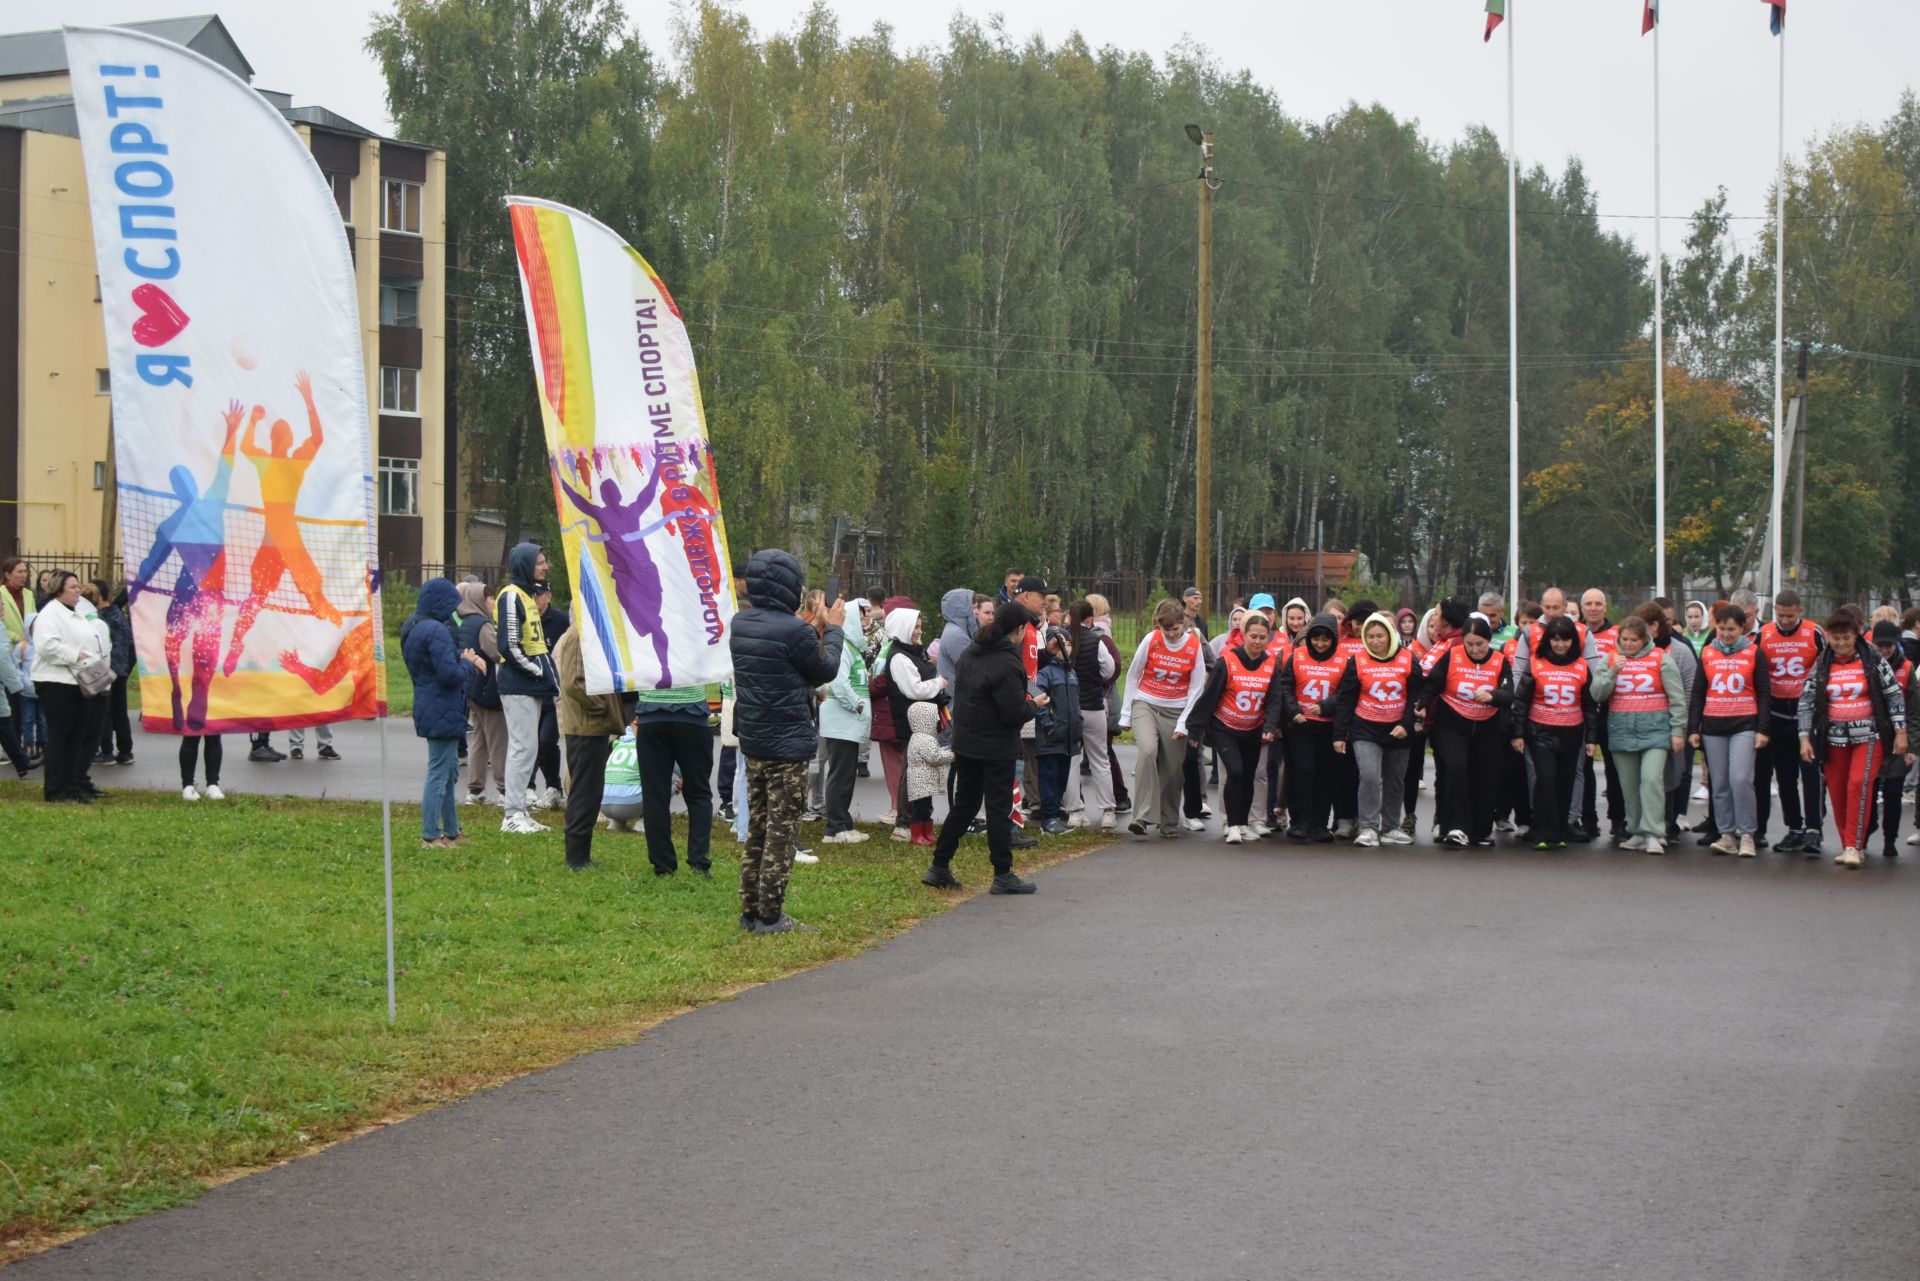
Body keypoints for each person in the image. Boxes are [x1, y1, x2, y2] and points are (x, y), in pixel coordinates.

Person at [731, 549, 845, 933]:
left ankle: (750, 911)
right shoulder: (793, 630)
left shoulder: (741, 623)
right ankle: (771, 915)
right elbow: (823, 667)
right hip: (788, 745)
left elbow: (785, 663)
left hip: (756, 741)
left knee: (759, 828)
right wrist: (836, 629)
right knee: (782, 832)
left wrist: (815, 624)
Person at [226, 374, 345, 673]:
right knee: (313, 596)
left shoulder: (270, 461)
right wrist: (308, 401)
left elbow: (248, 446)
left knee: (260, 598)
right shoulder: (292, 462)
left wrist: (253, 420)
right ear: (287, 441)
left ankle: (236, 644)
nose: (287, 437)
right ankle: (338, 639)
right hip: (285, 540)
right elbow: (317, 437)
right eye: (286, 434)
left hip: (274, 538)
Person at [922, 600, 1042, 894]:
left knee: (964, 806)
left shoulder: (971, 654)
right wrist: (1034, 705)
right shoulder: (1008, 663)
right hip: (996, 747)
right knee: (998, 810)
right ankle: (1003, 874)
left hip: (967, 742)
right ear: (1017, 630)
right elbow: (1012, 713)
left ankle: (939, 866)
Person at [1798, 607, 1907, 868]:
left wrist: (1900, 731)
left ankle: (1853, 846)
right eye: (1836, 638)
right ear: (1828, 637)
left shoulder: (1872, 659)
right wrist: (1804, 738)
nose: (1842, 643)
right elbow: (1806, 701)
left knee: (1858, 784)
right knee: (1837, 791)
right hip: (1833, 740)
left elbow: (1893, 694)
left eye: (1846, 637)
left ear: (1856, 635)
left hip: (1868, 737)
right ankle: (1849, 842)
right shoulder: (1822, 662)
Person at [1178, 610, 1282, 844]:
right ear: (1243, 635)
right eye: (1253, 636)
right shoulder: (1228, 661)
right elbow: (1209, 697)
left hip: (1253, 729)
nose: (1257, 642)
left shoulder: (1270, 664)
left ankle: (1244, 823)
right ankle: (1233, 825)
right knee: (1234, 772)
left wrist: (1271, 725)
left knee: (1248, 777)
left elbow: (1275, 699)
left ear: (1268, 638)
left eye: (1262, 637)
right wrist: (1194, 730)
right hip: (1225, 728)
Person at [402, 578, 482, 849]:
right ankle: (430, 835)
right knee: (438, 772)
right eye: (451, 605)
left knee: (448, 772)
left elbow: (433, 663)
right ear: (441, 604)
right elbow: (448, 674)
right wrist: (468, 664)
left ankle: (451, 830)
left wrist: (459, 657)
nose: (455, 611)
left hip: (428, 703)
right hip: (442, 706)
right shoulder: (437, 630)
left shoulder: (413, 625)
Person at [1689, 602, 1772, 858]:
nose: (1726, 634)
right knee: (1720, 783)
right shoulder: (1708, 652)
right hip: (1714, 725)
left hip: (1744, 724)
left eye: (1732, 630)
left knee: (1741, 778)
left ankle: (1747, 834)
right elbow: (1698, 692)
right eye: (1722, 629)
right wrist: (1694, 728)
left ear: (1742, 629)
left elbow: (1765, 693)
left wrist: (1762, 728)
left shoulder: (1754, 652)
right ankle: (1726, 834)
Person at [1120, 599, 1208, 838]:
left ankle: (1168, 821)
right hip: (1146, 703)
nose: (1170, 634)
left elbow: (1197, 686)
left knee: (1173, 769)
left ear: (1183, 624)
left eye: (1174, 629)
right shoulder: (1151, 640)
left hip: (1177, 709)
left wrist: (1183, 722)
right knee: (1148, 751)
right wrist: (1126, 713)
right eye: (1165, 630)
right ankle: (1141, 815)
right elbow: (1133, 675)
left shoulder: (1193, 644)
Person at [1421, 618, 1513, 847]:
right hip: (1451, 723)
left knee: (1485, 776)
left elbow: (1509, 693)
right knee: (1456, 769)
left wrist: (1493, 695)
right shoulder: (1453, 655)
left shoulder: (1500, 661)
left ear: (1489, 641)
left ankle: (1480, 831)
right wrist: (1422, 703)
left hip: (1486, 727)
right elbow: (1433, 683)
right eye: (1470, 644)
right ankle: (1455, 827)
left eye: (1480, 644)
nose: (1474, 649)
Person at [1600, 616, 1687, 855]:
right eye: (1624, 639)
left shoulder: (1661, 658)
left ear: (1645, 639)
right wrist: (1611, 672)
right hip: (1622, 731)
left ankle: (1654, 833)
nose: (1628, 644)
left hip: (1656, 732)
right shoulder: (1610, 659)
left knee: (1651, 780)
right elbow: (1597, 693)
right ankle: (1636, 831)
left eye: (1634, 640)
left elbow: (1677, 698)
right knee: (1629, 785)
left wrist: (1678, 730)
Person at [1512, 615, 1600, 850]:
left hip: (1572, 732)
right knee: (1545, 779)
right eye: (1555, 639)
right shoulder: (1536, 663)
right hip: (1540, 731)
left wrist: (1592, 738)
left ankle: (1560, 830)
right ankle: (1541, 830)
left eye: (1566, 640)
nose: (1560, 645)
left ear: (1574, 641)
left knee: (1565, 782)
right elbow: (1521, 701)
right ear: (1548, 640)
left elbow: (1590, 706)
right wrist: (1518, 734)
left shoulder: (1582, 666)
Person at [1332, 610, 1418, 847]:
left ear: (1390, 635)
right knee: (1369, 776)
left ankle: (1390, 827)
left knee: (1395, 779)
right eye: (1370, 636)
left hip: (1398, 728)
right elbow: (1346, 699)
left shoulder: (1408, 659)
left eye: (1380, 636)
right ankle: (1368, 827)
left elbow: (1416, 697)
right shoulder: (1357, 661)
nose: (1375, 641)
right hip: (1365, 728)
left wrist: (1406, 723)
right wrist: (1340, 734)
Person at [1755, 589, 1827, 855]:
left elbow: (1828, 665)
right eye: (1780, 615)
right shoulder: (1765, 634)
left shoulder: (1813, 632)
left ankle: (1813, 830)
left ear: (1800, 611)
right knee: (1785, 775)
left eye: (1789, 615)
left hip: (1806, 713)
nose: (1784, 620)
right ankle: (1794, 828)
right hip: (1777, 712)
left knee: (1810, 773)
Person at [555, 612, 628, 871]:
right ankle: (576, 857)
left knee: (590, 792)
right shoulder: (578, 635)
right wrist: (601, 708)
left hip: (593, 727)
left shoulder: (587, 634)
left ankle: (581, 854)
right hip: (586, 727)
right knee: (584, 794)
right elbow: (574, 683)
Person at [495, 542, 559, 834]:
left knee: (529, 747)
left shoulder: (527, 595)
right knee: (522, 748)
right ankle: (512, 815)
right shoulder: (510, 596)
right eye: (540, 563)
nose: (545, 567)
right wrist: (536, 672)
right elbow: (508, 644)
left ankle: (521, 810)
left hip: (531, 684)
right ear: (524, 565)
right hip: (519, 682)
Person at [29, 571, 107, 804]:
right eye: (72, 587)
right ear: (59, 590)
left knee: (77, 735)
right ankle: (54, 789)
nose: (77, 591)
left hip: (79, 681)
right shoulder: (50, 613)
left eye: (78, 586)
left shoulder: (77, 612)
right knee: (60, 736)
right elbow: (46, 646)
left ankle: (72, 785)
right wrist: (76, 655)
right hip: (56, 682)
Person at [632, 672, 719, 873]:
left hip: (651, 712)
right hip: (692, 712)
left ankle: (663, 864)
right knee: (699, 793)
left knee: (654, 795)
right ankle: (699, 861)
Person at [1273, 611, 1345, 842]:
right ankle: (1299, 822)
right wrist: (1294, 712)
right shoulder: (1297, 656)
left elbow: (1346, 693)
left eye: (1326, 638)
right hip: (1300, 726)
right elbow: (1285, 686)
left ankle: (1319, 824)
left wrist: (1326, 706)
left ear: (1333, 638)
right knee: (1302, 772)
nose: (1320, 643)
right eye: (1316, 638)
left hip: (1328, 726)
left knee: (1325, 776)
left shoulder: (1345, 659)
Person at [879, 604, 945, 838]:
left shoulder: (913, 653)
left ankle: (916, 820)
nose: (919, 631)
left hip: (922, 721)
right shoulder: (899, 657)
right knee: (912, 774)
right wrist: (938, 683)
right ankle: (904, 822)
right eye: (915, 627)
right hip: (911, 722)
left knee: (918, 772)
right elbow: (914, 689)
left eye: (920, 626)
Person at [819, 610, 872, 845]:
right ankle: (835, 829)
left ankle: (843, 823)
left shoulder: (851, 647)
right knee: (840, 775)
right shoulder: (843, 648)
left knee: (846, 774)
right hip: (841, 722)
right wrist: (858, 706)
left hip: (847, 724)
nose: (866, 621)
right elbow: (838, 683)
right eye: (862, 616)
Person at [1063, 600, 1117, 829]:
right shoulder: (1096, 641)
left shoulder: (1063, 639)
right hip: (1093, 705)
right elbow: (1109, 669)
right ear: (1089, 619)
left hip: (1070, 707)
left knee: (1072, 760)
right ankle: (1107, 811)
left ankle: (1075, 811)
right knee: (1100, 759)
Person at [1867, 620, 1918, 858]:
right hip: (1871, 737)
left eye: (1888, 645)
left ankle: (1890, 840)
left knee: (1893, 794)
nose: (1884, 650)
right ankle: (1866, 833)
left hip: (1899, 740)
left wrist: (1911, 746)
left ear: (1896, 644)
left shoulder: (1906, 668)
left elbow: (1914, 711)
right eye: (1880, 645)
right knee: (1868, 791)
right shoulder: (1865, 663)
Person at [456, 583, 506, 805]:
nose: (492, 602)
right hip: (488, 687)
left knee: (479, 737)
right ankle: (505, 789)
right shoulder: (483, 624)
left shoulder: (465, 621)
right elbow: (495, 653)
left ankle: (475, 789)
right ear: (478, 600)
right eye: (489, 598)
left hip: (472, 688)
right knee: (498, 738)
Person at [1033, 629, 1082, 835]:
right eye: (1061, 643)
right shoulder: (1045, 673)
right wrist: (1049, 725)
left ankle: (1056, 814)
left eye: (1069, 643)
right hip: (1051, 736)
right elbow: (1041, 701)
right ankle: (1048, 818)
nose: (1066, 647)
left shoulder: (1071, 672)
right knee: (1049, 777)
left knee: (1061, 778)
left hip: (1068, 736)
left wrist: (1078, 723)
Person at [86, 581, 134, 766]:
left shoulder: (99, 618)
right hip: (121, 668)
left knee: (104, 711)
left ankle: (106, 751)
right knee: (120, 710)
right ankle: (126, 750)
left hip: (105, 667)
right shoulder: (118, 614)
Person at [900, 702, 950, 846]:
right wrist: (952, 755)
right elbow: (934, 757)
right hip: (922, 782)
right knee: (920, 809)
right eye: (935, 719)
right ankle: (917, 835)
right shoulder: (924, 739)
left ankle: (926, 833)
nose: (938, 722)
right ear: (926, 720)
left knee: (926, 808)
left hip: (924, 783)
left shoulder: (919, 737)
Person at [600, 723, 645, 832]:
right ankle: (645, 821)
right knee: (669, 776)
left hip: (603, 804)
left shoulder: (618, 743)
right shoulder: (646, 744)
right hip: (630, 805)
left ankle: (616, 822)